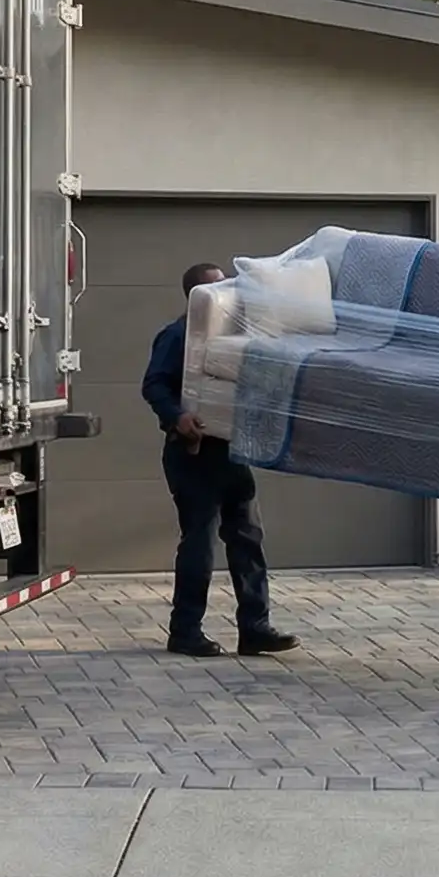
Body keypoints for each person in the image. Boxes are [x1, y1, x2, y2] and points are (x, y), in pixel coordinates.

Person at [141, 262, 298, 660]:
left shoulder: (234, 340)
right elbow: (154, 384)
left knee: (247, 539)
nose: (227, 294)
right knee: (200, 544)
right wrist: (178, 416)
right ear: (198, 298)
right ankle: (185, 631)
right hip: (193, 453)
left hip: (232, 451)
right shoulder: (178, 335)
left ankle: (255, 629)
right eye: (217, 289)